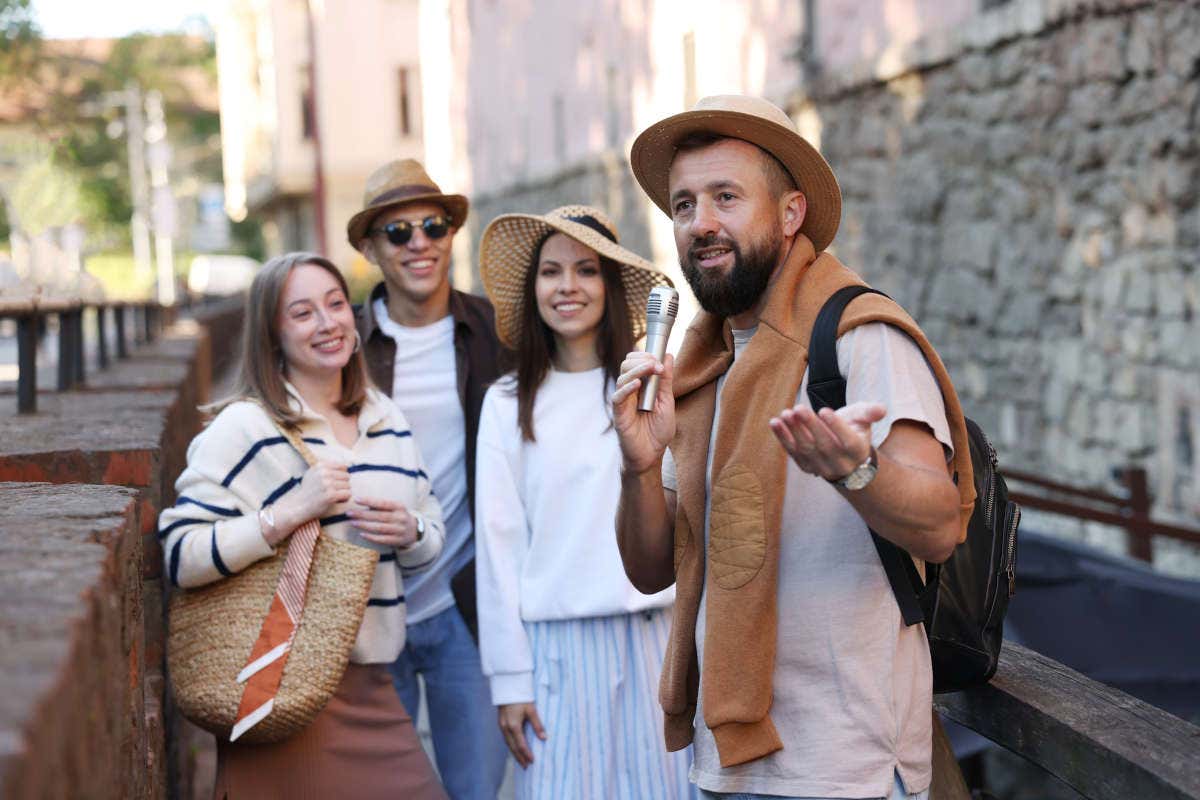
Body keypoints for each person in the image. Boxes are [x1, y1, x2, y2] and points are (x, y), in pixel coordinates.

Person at [612, 95, 977, 799]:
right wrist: (637, 466)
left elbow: (939, 526)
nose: (701, 223)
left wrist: (857, 471)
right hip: (727, 766)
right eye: (684, 205)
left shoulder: (861, 337)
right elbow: (649, 569)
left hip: (848, 769)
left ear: (789, 214)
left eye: (726, 197)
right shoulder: (697, 368)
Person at [159, 252, 448, 799]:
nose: (327, 322)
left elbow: (431, 527)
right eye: (302, 312)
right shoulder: (246, 427)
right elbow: (179, 552)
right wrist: (287, 513)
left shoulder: (386, 420)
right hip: (280, 683)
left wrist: (411, 532)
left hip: (373, 683)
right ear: (273, 337)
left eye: (336, 304)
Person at [474, 205, 695, 799]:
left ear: (611, 287)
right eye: (551, 272)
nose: (567, 286)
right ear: (533, 289)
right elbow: (498, 548)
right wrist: (510, 681)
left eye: (586, 271)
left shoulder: (648, 389)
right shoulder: (505, 403)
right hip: (556, 655)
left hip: (656, 640)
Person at [349, 159, 509, 798]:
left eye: (433, 226)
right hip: (366, 611)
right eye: (398, 232)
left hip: (465, 607)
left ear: (450, 235)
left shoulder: (498, 333)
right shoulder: (346, 344)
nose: (419, 243)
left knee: (478, 788)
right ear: (369, 247)